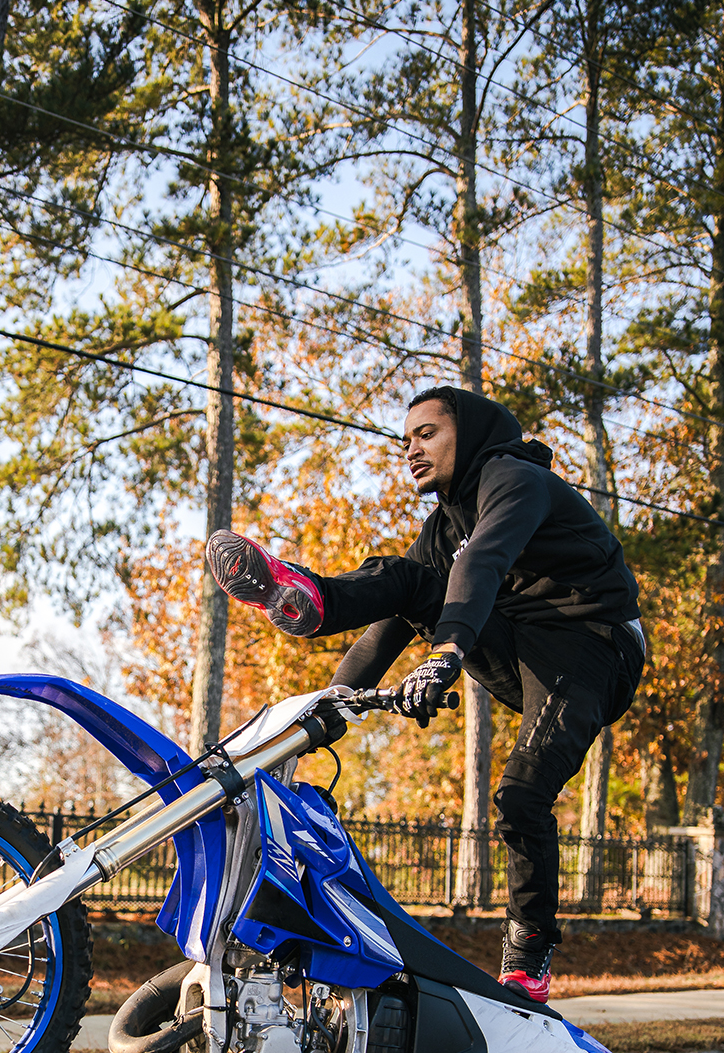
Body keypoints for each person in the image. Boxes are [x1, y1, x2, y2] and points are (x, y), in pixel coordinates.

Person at [206, 385, 645, 1006]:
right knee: (405, 579)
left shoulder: (515, 478)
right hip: (517, 644)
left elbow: (483, 564)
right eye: (403, 439)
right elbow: (387, 624)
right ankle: (310, 598)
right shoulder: (442, 527)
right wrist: (318, 712)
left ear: (469, 434)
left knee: (521, 793)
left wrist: (445, 654)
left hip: (594, 644)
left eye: (426, 434)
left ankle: (529, 955)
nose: (410, 449)